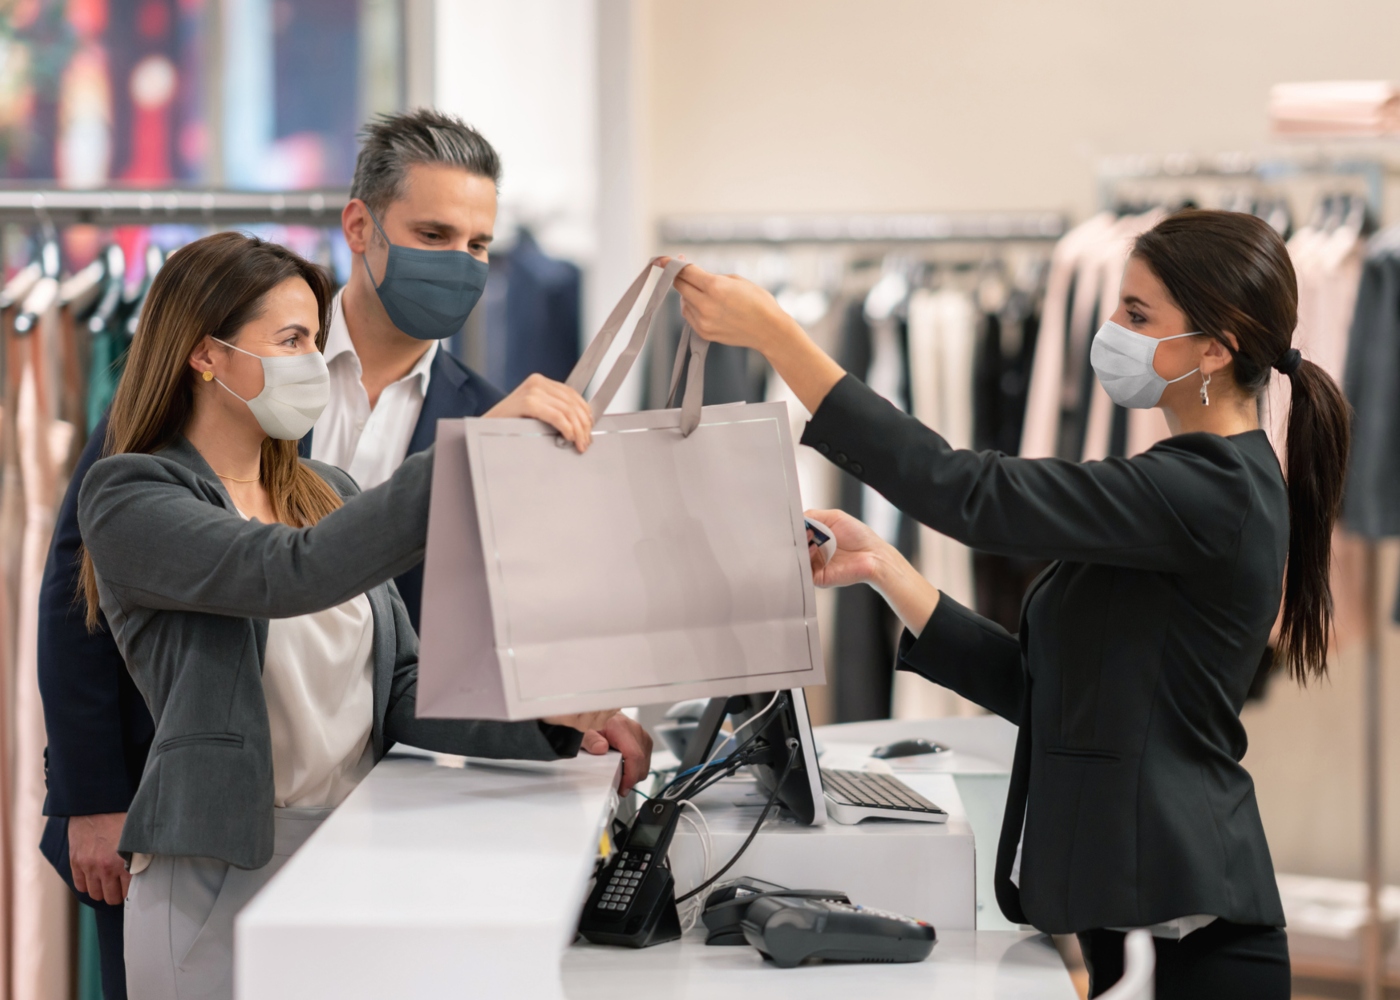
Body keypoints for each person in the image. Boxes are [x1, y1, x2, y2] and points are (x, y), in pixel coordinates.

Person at [37, 108, 649, 999]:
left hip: (361, 839)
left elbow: (401, 684)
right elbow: (275, 575)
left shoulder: (327, 485)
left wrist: (556, 720)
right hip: (203, 834)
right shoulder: (139, 486)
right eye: (435, 234)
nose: (464, 262)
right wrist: (87, 791)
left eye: (480, 243)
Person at [669, 209, 1351, 999]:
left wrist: (779, 339)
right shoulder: (1198, 481)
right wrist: (889, 572)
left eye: (1136, 315)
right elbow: (1051, 694)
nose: (1111, 332)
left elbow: (971, 492)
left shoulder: (1210, 488)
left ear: (1214, 347)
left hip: (1192, 933)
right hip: (1145, 924)